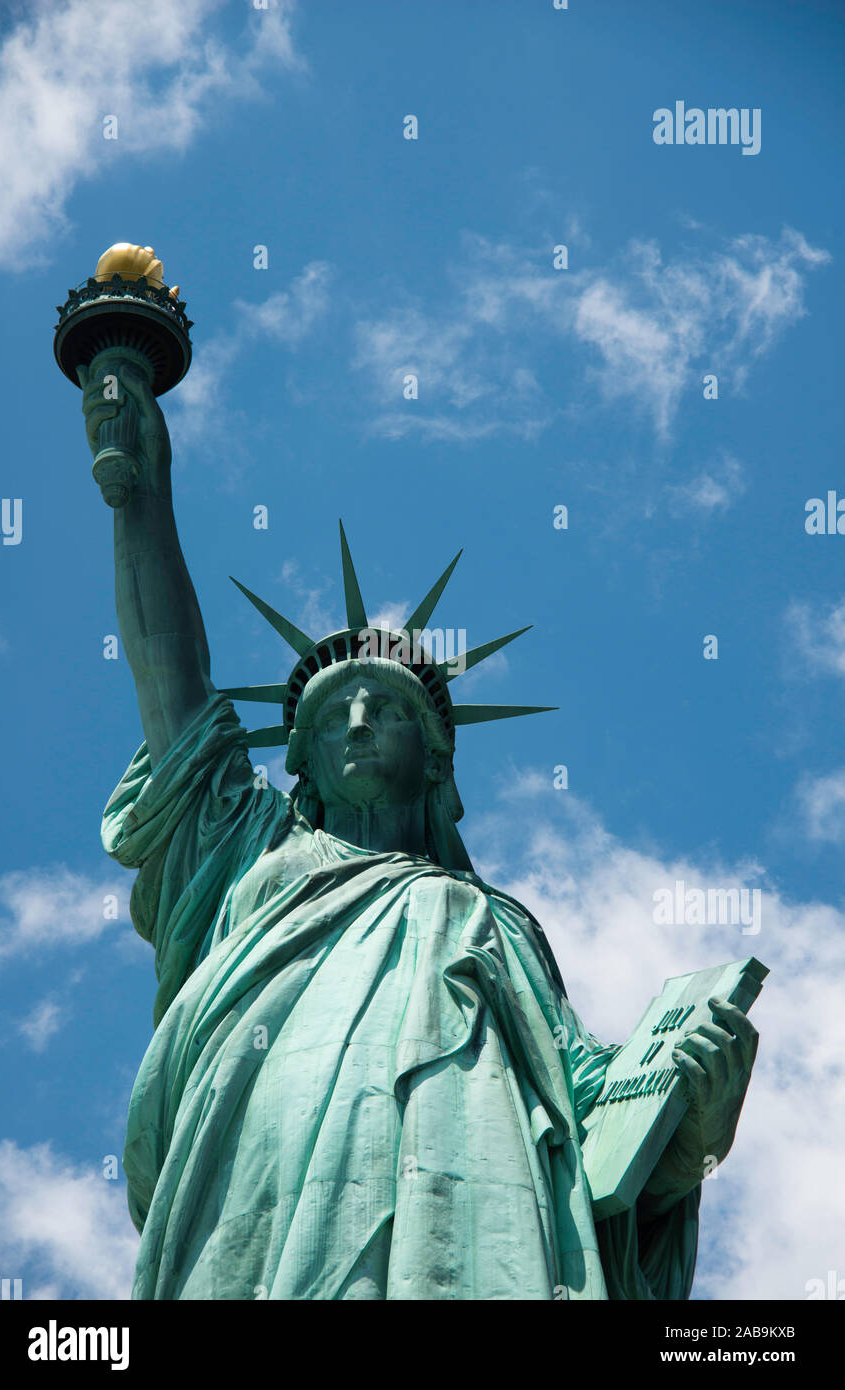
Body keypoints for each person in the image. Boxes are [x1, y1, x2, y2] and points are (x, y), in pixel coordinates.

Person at [80, 357, 759, 1300]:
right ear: (300, 763)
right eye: (330, 716)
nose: (356, 722)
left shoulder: (497, 923)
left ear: (438, 755)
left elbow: (578, 1106)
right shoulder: (248, 851)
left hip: (473, 1186)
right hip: (263, 1167)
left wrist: (689, 1132)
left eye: (384, 709)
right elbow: (172, 689)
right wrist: (140, 495)